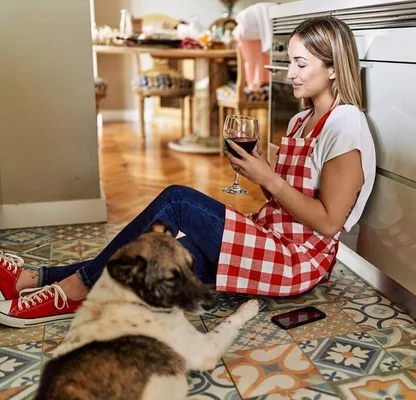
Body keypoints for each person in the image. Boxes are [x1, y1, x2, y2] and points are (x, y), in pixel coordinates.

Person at [0, 16, 376, 328]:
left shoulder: (345, 124)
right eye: (289, 60)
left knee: (179, 200)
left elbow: (328, 224)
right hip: (268, 236)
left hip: (296, 261)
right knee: (164, 258)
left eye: (301, 63)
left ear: (332, 68)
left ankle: (75, 292)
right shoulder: (300, 120)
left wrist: (269, 178)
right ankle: (34, 281)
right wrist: (259, 175)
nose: (288, 71)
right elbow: (281, 202)